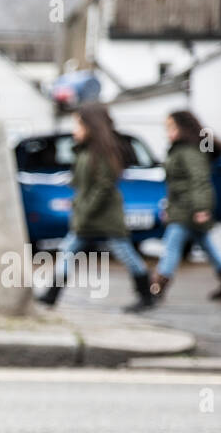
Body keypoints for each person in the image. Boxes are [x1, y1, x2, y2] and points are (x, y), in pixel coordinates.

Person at [36, 103, 154, 312]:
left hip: (104, 217)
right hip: (86, 216)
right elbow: (82, 181)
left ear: (91, 126)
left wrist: (86, 210)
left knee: (125, 253)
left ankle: (146, 295)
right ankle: (51, 295)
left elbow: (104, 186)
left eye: (78, 125)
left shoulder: (103, 152)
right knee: (67, 251)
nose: (75, 130)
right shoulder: (85, 151)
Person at [151, 110, 221, 303]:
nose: (168, 132)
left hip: (189, 208)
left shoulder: (190, 151)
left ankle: (157, 287)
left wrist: (201, 208)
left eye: (171, 127)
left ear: (183, 128)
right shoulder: (180, 149)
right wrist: (169, 209)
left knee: (171, 246)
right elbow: (176, 184)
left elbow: (200, 180)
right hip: (183, 207)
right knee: (206, 243)